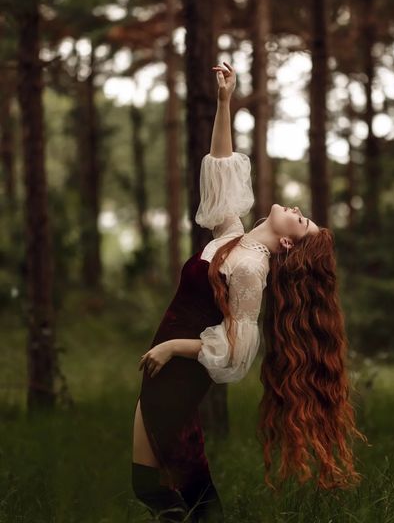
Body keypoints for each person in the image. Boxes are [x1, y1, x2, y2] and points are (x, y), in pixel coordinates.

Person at [131, 62, 367, 522]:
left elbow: (238, 351)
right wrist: (225, 102)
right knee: (157, 486)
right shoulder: (232, 238)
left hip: (179, 369)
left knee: (174, 488)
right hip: (164, 369)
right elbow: (222, 170)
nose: (296, 209)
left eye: (300, 220)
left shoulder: (250, 268)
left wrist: (171, 346)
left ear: (285, 243)